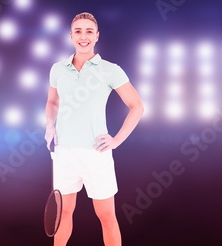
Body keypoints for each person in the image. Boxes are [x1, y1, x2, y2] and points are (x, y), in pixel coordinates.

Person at [44, 12, 143, 246]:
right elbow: (52, 102)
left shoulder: (110, 70)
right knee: (63, 215)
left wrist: (116, 140)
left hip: (96, 154)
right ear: (71, 36)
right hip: (64, 153)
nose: (83, 36)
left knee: (107, 216)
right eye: (78, 31)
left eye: (89, 31)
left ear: (97, 36)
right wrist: (50, 124)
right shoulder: (58, 69)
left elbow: (136, 106)